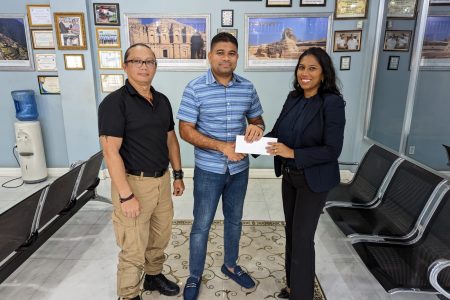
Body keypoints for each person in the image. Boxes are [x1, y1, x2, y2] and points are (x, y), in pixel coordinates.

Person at [177, 32, 265, 300]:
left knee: (235, 221)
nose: (225, 58)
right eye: (220, 52)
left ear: (237, 57)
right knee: (202, 224)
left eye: (231, 53)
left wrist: (257, 129)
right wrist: (222, 146)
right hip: (208, 171)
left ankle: (230, 265)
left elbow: (258, 119)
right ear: (210, 55)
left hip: (239, 171)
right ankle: (194, 275)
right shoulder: (194, 88)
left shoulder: (247, 88)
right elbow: (185, 130)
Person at [98, 43, 185, 300]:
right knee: (133, 246)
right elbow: (110, 152)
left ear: (155, 67)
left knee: (160, 236)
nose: (144, 66)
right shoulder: (114, 103)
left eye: (149, 62)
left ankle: (153, 275)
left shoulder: (162, 101)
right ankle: (128, 294)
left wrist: (178, 174)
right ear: (125, 66)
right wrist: (126, 196)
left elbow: (171, 139)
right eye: (137, 61)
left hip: (162, 180)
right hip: (133, 183)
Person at [265, 47, 345, 300]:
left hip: (314, 180)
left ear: (323, 73)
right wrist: (248, 144)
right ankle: (293, 286)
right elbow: (278, 133)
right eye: (301, 67)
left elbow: (332, 150)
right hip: (290, 176)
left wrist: (294, 154)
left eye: (312, 68)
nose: (305, 73)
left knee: (302, 236)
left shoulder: (332, 103)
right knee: (292, 232)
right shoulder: (293, 98)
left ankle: (302, 295)